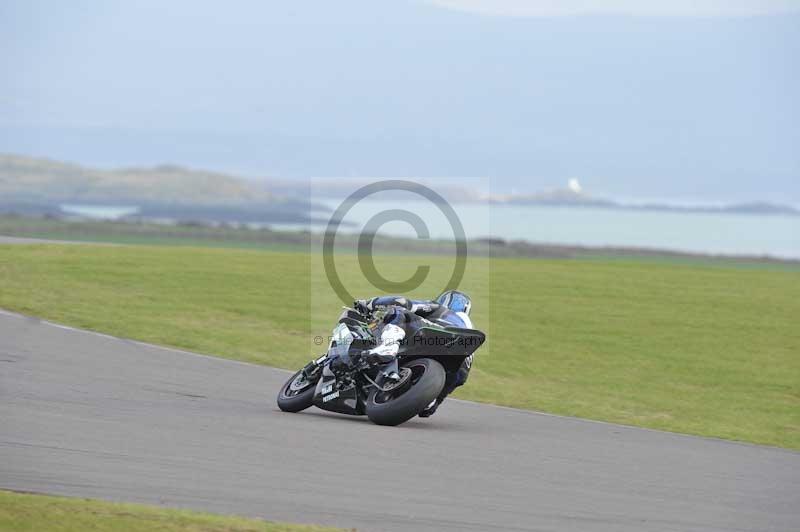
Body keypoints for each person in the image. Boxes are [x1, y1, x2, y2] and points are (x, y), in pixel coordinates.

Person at [353, 290, 475, 418]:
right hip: (456, 364)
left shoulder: (441, 309)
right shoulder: (467, 331)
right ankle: (431, 400)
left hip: (437, 333)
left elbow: (403, 302)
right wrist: (435, 399)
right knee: (433, 403)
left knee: (398, 311)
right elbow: (460, 378)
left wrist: (369, 304)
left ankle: (388, 346)